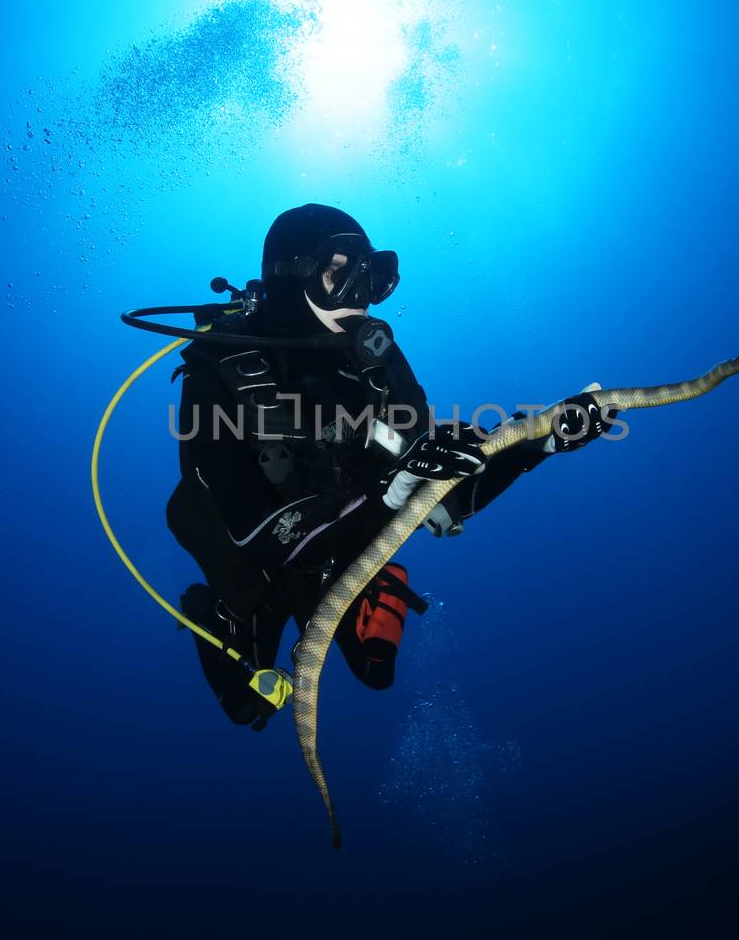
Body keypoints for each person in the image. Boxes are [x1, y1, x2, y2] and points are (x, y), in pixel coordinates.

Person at [165, 203, 617, 729]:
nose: (360, 298)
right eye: (340, 274)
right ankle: (216, 615)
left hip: (346, 539)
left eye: (371, 279)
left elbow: (441, 494)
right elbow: (250, 535)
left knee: (377, 671)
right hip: (253, 562)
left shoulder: (377, 368)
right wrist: (389, 493)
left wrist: (536, 442)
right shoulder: (217, 374)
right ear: (290, 275)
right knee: (250, 708)